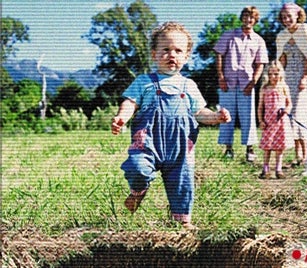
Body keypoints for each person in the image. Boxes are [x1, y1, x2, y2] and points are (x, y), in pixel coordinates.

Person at [111, 21, 231, 228]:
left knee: (182, 184)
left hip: (180, 149)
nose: (172, 55)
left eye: (178, 50)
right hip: (147, 143)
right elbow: (130, 102)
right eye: (165, 50)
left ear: (186, 56)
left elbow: (200, 113)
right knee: (137, 169)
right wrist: (122, 117)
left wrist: (216, 117)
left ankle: (181, 221)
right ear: (154, 54)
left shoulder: (189, 85)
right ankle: (138, 191)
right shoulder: (143, 82)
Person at [213, 6, 269, 161]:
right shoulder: (229, 35)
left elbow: (260, 64)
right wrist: (221, 77)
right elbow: (219, 55)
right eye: (245, 16)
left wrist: (254, 82)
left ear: (255, 20)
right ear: (241, 18)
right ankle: (228, 149)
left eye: (251, 17)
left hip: (246, 84)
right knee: (226, 115)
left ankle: (250, 150)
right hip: (227, 82)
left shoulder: (259, 40)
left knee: (248, 116)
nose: (248, 19)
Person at [276, 3, 307, 166]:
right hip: (288, 77)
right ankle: (298, 156)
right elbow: (281, 59)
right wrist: (278, 80)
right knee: (289, 115)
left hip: (303, 76)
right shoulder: (281, 35)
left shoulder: (305, 29)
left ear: (298, 15)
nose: (286, 19)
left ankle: (306, 155)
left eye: (289, 16)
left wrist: (304, 77)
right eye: (283, 17)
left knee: (299, 113)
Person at [257, 60, 293, 179]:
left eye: (276, 74)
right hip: (268, 121)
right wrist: (261, 121)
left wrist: (286, 110)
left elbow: (289, 103)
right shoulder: (264, 88)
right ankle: (265, 169)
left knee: (279, 147)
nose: (273, 76)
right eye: (271, 73)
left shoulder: (283, 87)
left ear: (281, 74)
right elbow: (260, 106)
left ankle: (278, 169)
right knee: (267, 146)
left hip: (281, 121)